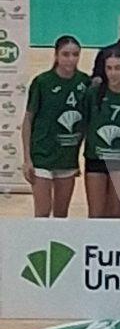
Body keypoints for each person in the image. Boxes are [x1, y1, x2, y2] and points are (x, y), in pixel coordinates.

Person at [21, 35, 90, 217]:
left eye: (75, 54)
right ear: (56, 55)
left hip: (67, 158)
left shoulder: (85, 82)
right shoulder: (42, 82)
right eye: (65, 54)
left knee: (61, 214)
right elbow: (28, 120)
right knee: (43, 212)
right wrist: (27, 159)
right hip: (42, 156)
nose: (70, 59)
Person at [83, 47, 120, 218]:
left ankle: (115, 245)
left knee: (116, 214)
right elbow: (85, 124)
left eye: (117, 68)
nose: (113, 73)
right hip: (96, 159)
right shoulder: (93, 94)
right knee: (96, 214)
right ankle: (94, 245)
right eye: (109, 68)